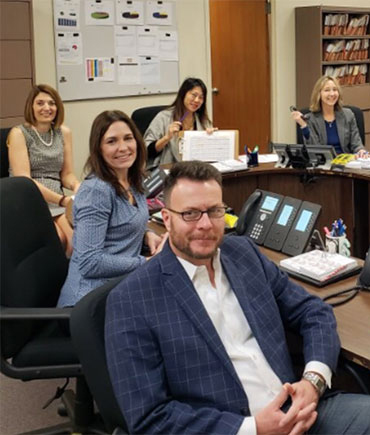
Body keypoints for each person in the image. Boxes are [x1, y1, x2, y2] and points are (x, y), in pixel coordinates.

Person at [105, 160, 370, 435]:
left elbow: (313, 311)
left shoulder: (243, 254)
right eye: (190, 214)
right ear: (166, 219)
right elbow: (150, 418)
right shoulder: (132, 300)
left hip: (305, 408)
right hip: (235, 428)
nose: (205, 224)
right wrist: (255, 428)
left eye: (214, 211)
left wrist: (314, 381)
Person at [57, 111, 167, 307]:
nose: (123, 147)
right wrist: (146, 262)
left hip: (119, 288)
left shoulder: (132, 179)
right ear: (98, 149)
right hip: (88, 304)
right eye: (112, 141)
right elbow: (90, 262)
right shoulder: (97, 191)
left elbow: (120, 224)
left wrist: (146, 234)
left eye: (128, 138)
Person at [7, 84, 80, 256]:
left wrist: (78, 188)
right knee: (59, 240)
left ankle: (75, 282)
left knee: (75, 243)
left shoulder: (64, 132)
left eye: (51, 103)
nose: (47, 108)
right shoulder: (18, 133)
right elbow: (25, 181)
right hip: (30, 200)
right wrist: (63, 200)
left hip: (57, 201)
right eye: (40, 103)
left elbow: (67, 174)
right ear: (31, 107)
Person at [144, 77, 217, 168]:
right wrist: (166, 138)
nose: (197, 100)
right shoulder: (164, 117)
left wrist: (212, 139)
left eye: (201, 97)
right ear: (183, 94)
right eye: (194, 95)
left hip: (195, 169)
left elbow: (209, 156)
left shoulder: (203, 121)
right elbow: (146, 151)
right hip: (169, 169)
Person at [291, 75, 368, 157]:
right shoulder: (310, 119)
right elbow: (314, 151)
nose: (332, 94)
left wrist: (361, 150)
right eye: (327, 90)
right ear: (319, 94)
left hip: (346, 164)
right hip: (324, 165)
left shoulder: (348, 115)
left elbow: (356, 143)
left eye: (335, 90)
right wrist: (303, 125)